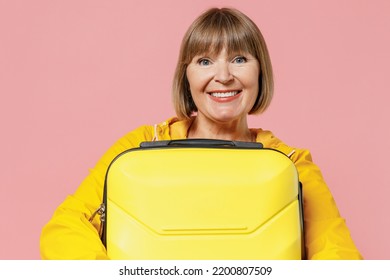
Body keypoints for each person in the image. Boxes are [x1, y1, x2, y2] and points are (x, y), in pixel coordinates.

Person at [40, 7, 362, 260]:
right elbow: (65, 227)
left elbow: (338, 256)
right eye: (205, 61)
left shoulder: (292, 164)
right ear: (186, 77)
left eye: (239, 59)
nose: (223, 76)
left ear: (260, 70)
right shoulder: (140, 148)